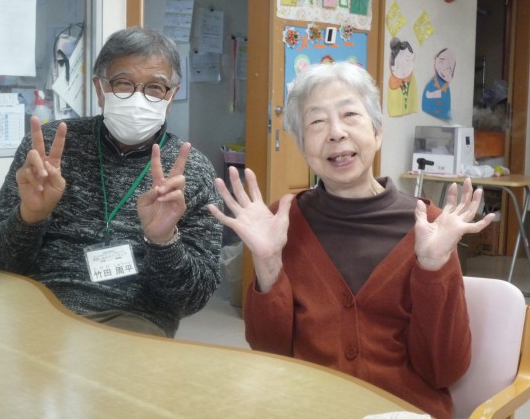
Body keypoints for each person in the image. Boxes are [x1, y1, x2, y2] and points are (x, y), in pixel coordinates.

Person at [207, 62, 494, 419]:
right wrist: (267, 263)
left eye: (349, 115)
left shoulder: (429, 226)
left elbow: (444, 370)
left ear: (377, 132)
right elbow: (270, 357)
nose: (336, 132)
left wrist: (434, 268)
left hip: (402, 410)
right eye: (316, 122)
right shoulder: (281, 222)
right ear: (303, 147)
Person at [0, 27, 223, 338]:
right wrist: (31, 216)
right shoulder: (48, 150)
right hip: (37, 307)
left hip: (132, 320)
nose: (138, 98)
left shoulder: (191, 172)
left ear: (171, 96)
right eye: (123, 83)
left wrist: (164, 241)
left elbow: (193, 298)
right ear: (100, 88)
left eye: (155, 87)